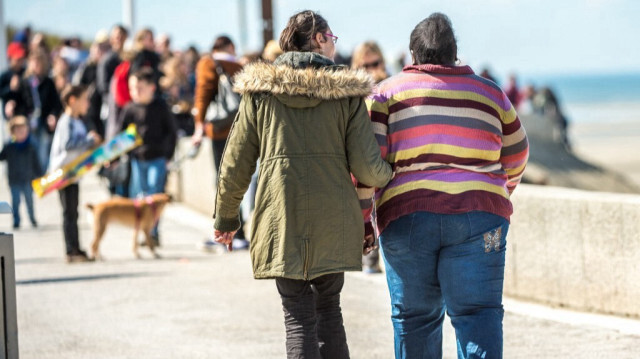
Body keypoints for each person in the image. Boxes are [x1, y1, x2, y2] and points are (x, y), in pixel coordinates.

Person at [213, 10, 392, 359]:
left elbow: (235, 163)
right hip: (334, 220)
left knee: (297, 317)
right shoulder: (346, 93)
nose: (334, 46)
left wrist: (225, 219)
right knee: (330, 310)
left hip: (282, 216)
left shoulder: (260, 90)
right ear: (319, 39)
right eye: (332, 39)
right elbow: (368, 169)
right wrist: (393, 173)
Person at [362, 13, 529, 358]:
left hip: (407, 217)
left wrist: (365, 218)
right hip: (480, 218)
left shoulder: (385, 95)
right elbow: (517, 154)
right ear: (454, 53)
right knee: (478, 315)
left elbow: (369, 165)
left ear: (413, 54)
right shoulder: (491, 94)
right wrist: (498, 192)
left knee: (415, 319)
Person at [191, 35, 248, 247]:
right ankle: (239, 232)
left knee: (223, 180)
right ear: (230, 46)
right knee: (240, 179)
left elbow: (203, 94)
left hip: (221, 130)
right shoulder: (241, 64)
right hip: (244, 128)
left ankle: (229, 233)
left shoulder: (208, 62)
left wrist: (198, 126)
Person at [120, 68, 178, 246]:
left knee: (154, 194)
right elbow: (121, 135)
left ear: (151, 87)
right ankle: (141, 232)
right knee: (139, 196)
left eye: (140, 88)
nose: (135, 92)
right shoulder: (130, 108)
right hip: (138, 159)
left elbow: (172, 132)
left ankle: (153, 232)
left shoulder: (161, 107)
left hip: (158, 158)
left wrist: (168, 154)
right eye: (132, 88)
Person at [49, 85, 102, 263]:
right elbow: (68, 144)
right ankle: (71, 251)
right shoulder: (67, 121)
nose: (87, 103)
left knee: (73, 213)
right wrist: (88, 140)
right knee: (68, 213)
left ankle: (76, 248)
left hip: (73, 173)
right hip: (63, 174)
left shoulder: (77, 121)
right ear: (73, 100)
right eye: (84, 99)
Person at [351, 40, 389, 274]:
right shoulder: (352, 94)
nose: (371, 70)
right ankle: (370, 255)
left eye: (375, 63)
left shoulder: (390, 88)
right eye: (365, 65)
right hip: (363, 157)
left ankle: (373, 256)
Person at [23, 49, 63, 170]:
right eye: (34, 62)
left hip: (43, 122)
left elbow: (56, 104)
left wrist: (53, 115)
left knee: (43, 151)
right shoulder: (24, 82)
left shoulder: (48, 82)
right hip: (28, 123)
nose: (37, 66)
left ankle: (41, 177)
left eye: (39, 63)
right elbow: (20, 102)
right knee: (29, 151)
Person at [0, 116, 42, 229]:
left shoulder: (31, 146)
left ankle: (32, 218)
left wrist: (40, 174)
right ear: (12, 133)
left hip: (28, 178)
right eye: (18, 131)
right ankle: (16, 220)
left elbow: (36, 162)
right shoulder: (9, 146)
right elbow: (2, 156)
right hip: (14, 179)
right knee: (15, 202)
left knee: (29, 201)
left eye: (23, 131)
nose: (21, 133)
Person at [0, 42, 32, 120]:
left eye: (22, 59)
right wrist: (10, 88)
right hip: (10, 117)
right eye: (17, 59)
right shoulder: (5, 75)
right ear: (10, 58)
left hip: (25, 115)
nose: (20, 61)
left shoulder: (26, 73)